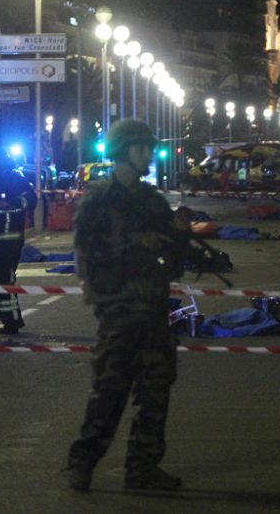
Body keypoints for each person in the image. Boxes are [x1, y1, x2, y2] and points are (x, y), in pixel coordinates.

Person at [63, 119, 187, 492]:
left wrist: (177, 238)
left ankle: (143, 466)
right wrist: (135, 244)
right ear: (124, 152)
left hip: (152, 308)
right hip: (117, 310)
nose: (148, 154)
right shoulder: (99, 200)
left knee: (156, 388)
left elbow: (172, 257)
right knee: (109, 389)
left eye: (149, 148)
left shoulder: (152, 201)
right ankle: (83, 462)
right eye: (141, 148)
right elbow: (87, 256)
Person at [0, 146, 38, 335]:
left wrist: (12, 202)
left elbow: (31, 200)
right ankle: (10, 320)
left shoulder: (15, 180)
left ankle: (12, 323)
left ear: (0, 162)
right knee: (2, 283)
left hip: (9, 241)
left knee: (5, 281)